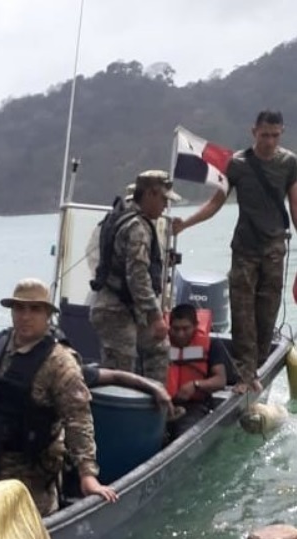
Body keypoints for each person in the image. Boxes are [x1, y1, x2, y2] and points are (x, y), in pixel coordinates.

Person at [0, 278, 118, 517]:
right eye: (19, 308)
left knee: (30, 535)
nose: (25, 316)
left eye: (34, 309)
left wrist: (88, 475)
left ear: (47, 315)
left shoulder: (60, 364)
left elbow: (78, 420)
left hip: (33, 474)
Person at [173, 110, 297, 392]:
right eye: (264, 135)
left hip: (275, 249)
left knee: (267, 314)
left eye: (275, 135)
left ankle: (258, 365)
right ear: (254, 132)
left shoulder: (289, 163)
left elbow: (295, 206)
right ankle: (244, 374)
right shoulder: (237, 164)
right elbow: (216, 203)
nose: (269, 141)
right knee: (243, 314)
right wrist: (185, 224)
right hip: (244, 250)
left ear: (282, 133)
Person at [88, 170, 179, 383]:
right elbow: (138, 276)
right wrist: (156, 316)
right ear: (149, 194)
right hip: (115, 310)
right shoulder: (137, 227)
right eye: (163, 199)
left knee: (158, 348)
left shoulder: (121, 217)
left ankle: (157, 407)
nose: (165, 205)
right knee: (122, 371)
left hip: (128, 308)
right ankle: (120, 413)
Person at [166, 304, 227, 439]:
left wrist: (195, 385)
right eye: (175, 329)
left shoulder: (212, 345)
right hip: (163, 404)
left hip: (194, 406)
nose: (180, 334)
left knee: (182, 437)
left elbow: (220, 380)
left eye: (185, 329)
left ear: (195, 326)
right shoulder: (160, 344)